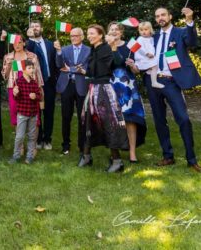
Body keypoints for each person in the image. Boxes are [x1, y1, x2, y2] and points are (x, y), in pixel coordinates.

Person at [142, 7, 201, 172]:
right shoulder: (152, 37)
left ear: (169, 16)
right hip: (152, 81)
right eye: (157, 16)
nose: (160, 18)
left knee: (183, 119)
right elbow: (142, 53)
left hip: (171, 82)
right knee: (159, 120)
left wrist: (190, 21)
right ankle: (168, 156)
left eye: (163, 15)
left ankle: (191, 159)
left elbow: (191, 42)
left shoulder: (180, 32)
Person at [77, 25, 128, 173]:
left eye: (92, 33)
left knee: (109, 123)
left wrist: (113, 47)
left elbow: (116, 64)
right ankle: (86, 156)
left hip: (104, 90)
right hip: (93, 89)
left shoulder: (106, 48)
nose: (89, 36)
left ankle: (117, 161)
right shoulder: (94, 50)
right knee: (88, 121)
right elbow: (94, 71)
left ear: (100, 35)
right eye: (88, 33)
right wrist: (84, 71)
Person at [108, 22, 147, 164]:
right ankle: (115, 151)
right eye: (111, 29)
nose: (114, 32)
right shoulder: (104, 47)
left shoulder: (130, 46)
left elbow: (137, 70)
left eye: (116, 30)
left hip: (128, 86)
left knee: (131, 120)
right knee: (115, 120)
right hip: (112, 86)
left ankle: (132, 153)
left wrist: (133, 66)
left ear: (121, 32)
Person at [54, 28, 90, 157]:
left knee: (83, 118)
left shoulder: (89, 50)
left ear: (82, 36)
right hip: (67, 85)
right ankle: (65, 145)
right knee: (66, 116)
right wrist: (58, 52)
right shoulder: (64, 49)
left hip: (81, 86)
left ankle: (82, 145)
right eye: (71, 36)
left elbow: (86, 68)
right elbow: (59, 65)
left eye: (76, 35)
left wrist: (70, 68)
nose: (73, 38)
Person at [25, 20, 59, 150]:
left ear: (42, 28)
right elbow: (29, 56)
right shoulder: (28, 44)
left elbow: (56, 62)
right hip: (35, 83)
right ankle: (38, 139)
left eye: (37, 26)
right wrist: (31, 39)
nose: (35, 28)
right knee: (36, 112)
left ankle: (47, 139)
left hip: (49, 82)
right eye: (32, 26)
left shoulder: (51, 45)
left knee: (49, 112)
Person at [1, 33, 43, 127]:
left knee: (33, 111)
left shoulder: (32, 56)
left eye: (19, 42)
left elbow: (38, 73)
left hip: (30, 87)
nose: (17, 45)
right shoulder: (8, 57)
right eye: (15, 43)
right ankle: (19, 139)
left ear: (24, 43)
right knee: (14, 111)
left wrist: (39, 89)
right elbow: (5, 76)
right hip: (14, 87)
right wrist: (8, 65)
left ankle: (32, 139)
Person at [9, 62, 43, 165]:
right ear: (23, 70)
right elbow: (16, 98)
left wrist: (35, 97)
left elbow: (39, 96)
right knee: (19, 136)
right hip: (22, 113)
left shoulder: (34, 82)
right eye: (29, 68)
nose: (32, 70)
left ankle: (29, 156)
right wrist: (15, 93)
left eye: (32, 68)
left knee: (32, 136)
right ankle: (16, 155)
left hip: (33, 114)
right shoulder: (18, 82)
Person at [135, 21, 164, 89]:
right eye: (141, 30)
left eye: (146, 29)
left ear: (150, 30)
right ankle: (154, 82)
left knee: (154, 67)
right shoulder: (140, 39)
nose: (143, 32)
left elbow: (152, 47)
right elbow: (139, 48)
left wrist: (152, 54)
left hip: (149, 57)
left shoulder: (151, 38)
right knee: (154, 66)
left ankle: (153, 79)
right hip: (143, 58)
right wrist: (147, 53)